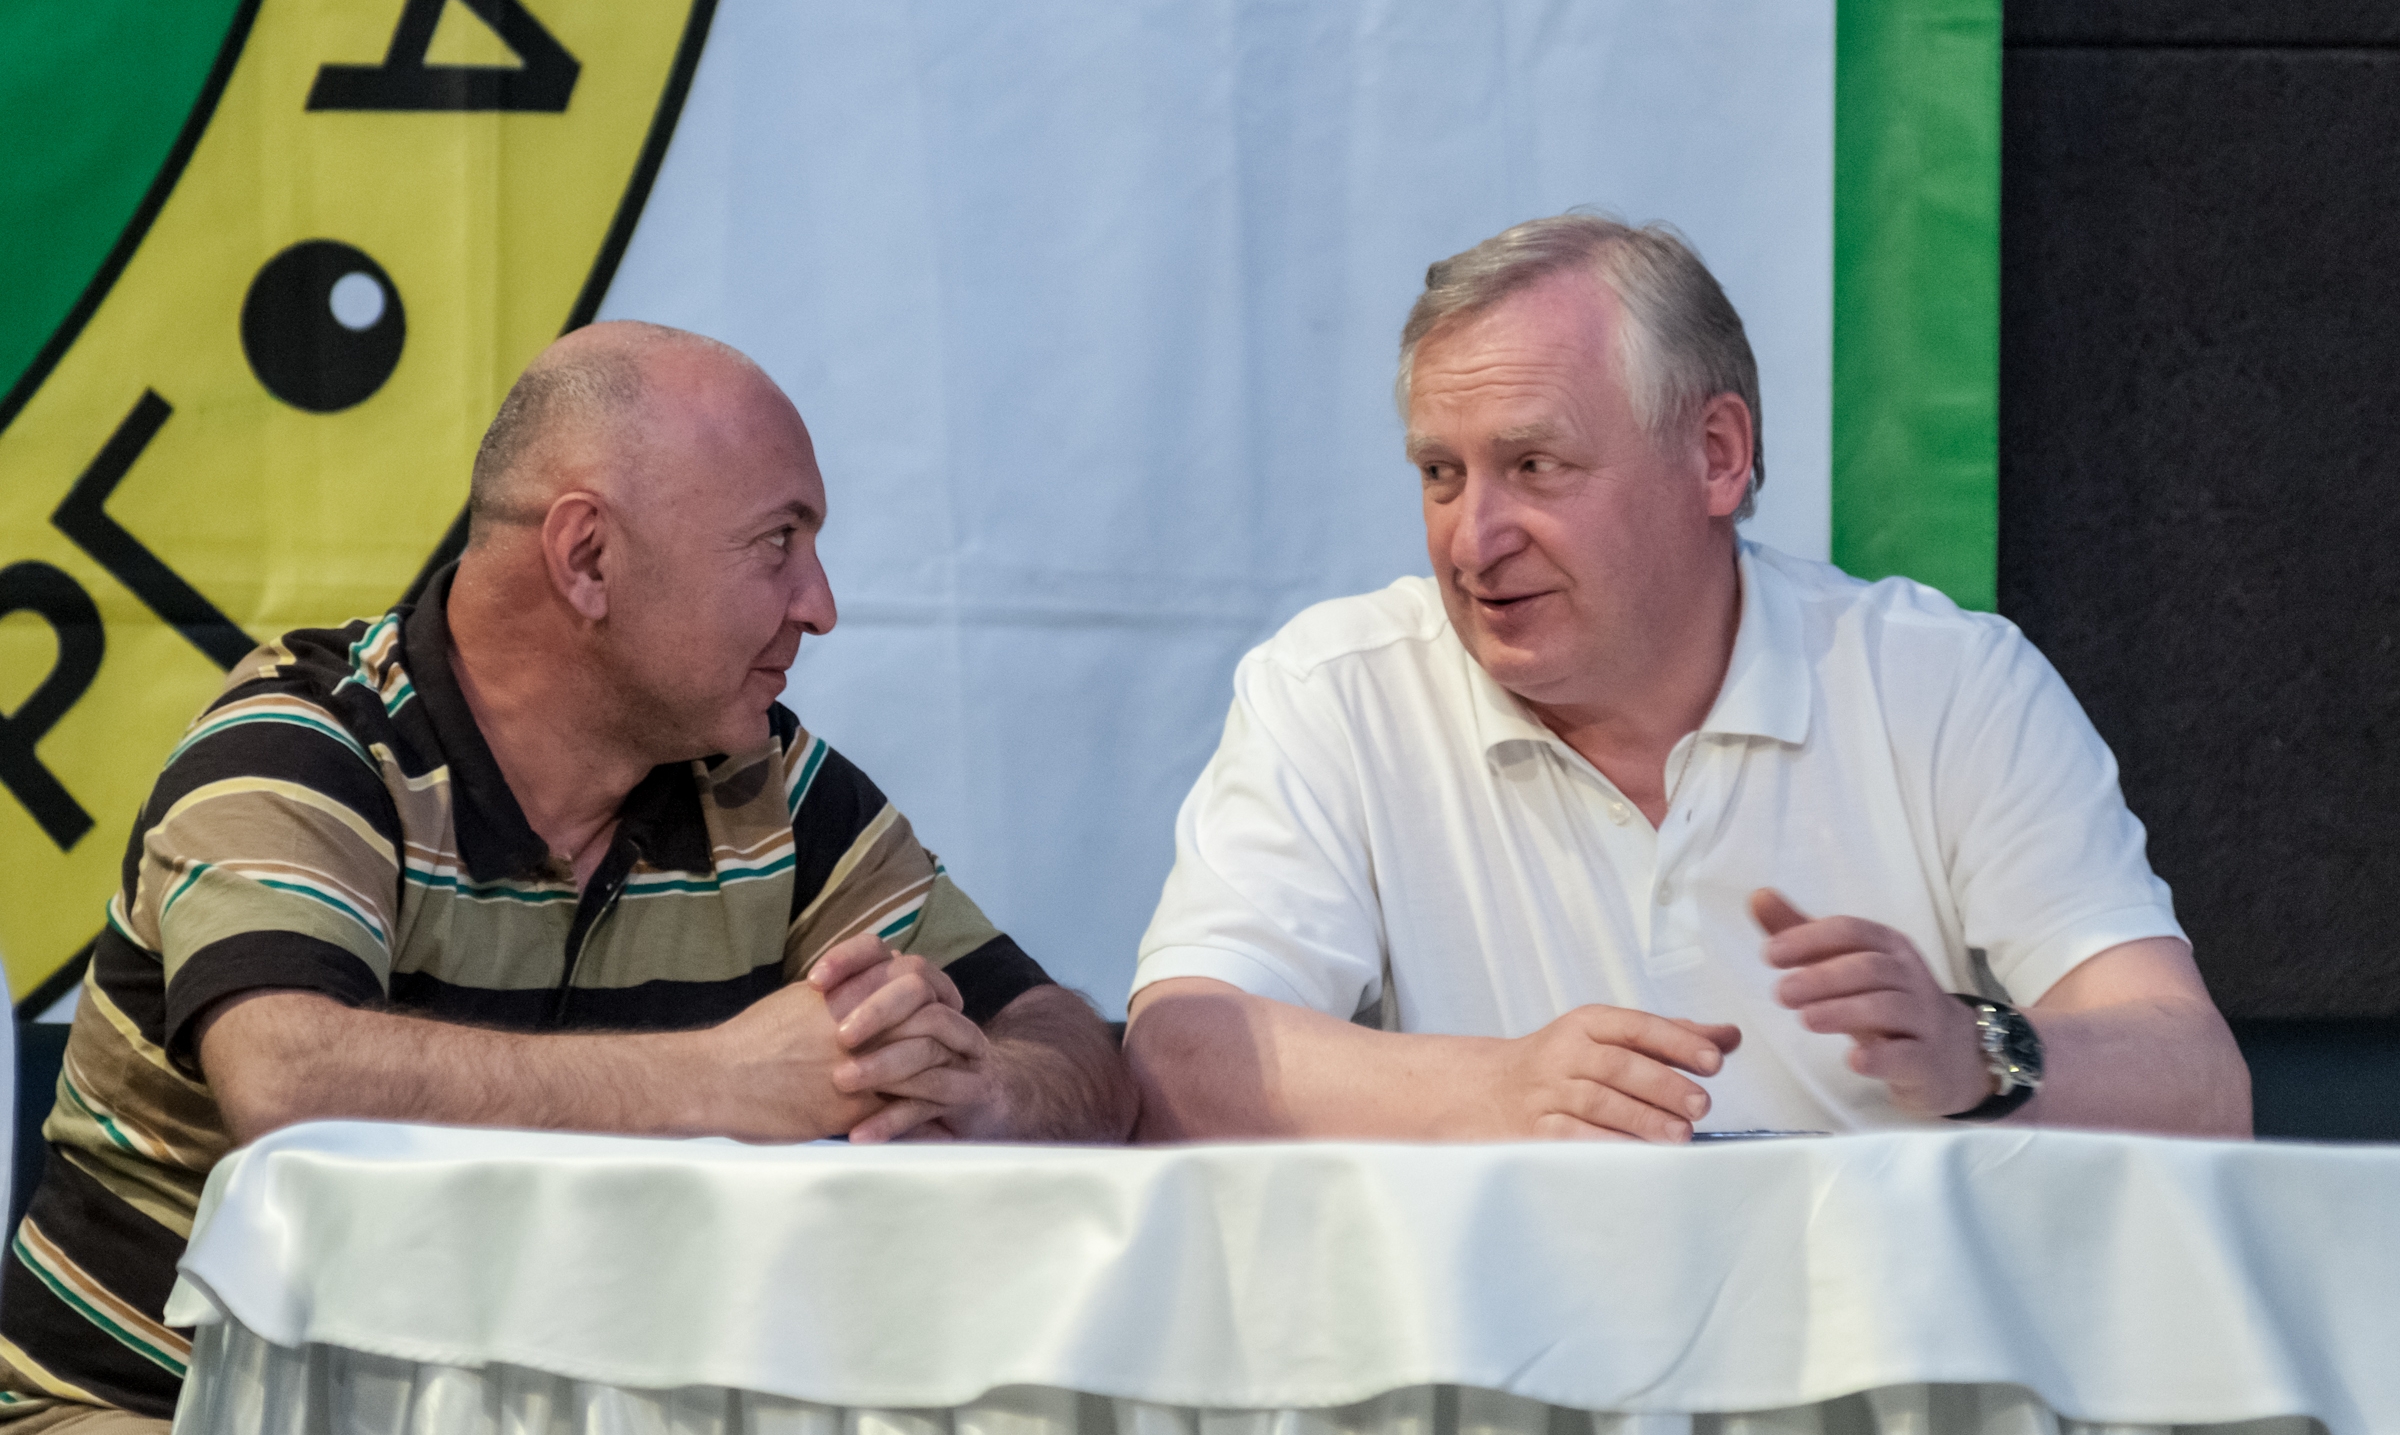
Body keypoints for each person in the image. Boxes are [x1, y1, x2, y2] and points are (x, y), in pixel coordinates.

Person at [0, 323, 1134, 1430]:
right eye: (777, 543)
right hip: (146, 1410)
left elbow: (1068, 1044)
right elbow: (290, 1080)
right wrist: (730, 1079)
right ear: (589, 557)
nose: (820, 605)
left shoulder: (767, 787)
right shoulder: (307, 743)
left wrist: (987, 1088)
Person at [1126, 213, 2249, 1144]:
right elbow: (1182, 1058)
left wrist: (1977, 1053)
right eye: (1440, 473)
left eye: (1534, 465)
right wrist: (1499, 1087)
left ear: (1716, 454)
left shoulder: (1947, 685)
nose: (1474, 539)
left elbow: (2200, 1086)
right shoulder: (1338, 689)